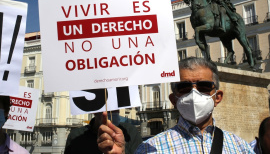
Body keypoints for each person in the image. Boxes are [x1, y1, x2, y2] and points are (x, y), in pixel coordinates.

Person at [97, 57, 255, 154]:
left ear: (217, 97)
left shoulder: (240, 147)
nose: (194, 94)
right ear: (174, 99)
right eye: (184, 88)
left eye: (204, 87)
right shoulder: (150, 148)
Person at [64, 110, 142, 154]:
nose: (111, 112)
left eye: (115, 107)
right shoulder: (75, 137)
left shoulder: (130, 132)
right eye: (105, 107)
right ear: (94, 111)